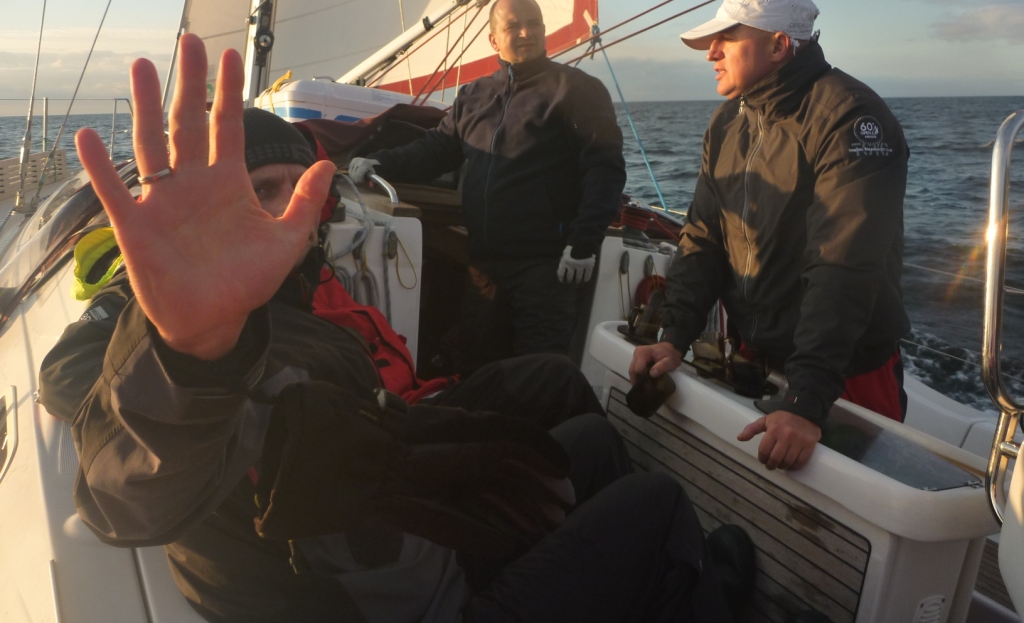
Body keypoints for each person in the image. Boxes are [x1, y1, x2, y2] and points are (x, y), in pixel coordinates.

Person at [46, 33, 745, 622]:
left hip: (415, 549)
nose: (285, 213)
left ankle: (642, 586)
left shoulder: (302, 310)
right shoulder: (195, 345)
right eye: (259, 191)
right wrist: (189, 352)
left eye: (301, 190)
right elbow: (128, 494)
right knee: (658, 506)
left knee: (584, 440)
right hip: (403, 606)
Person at [629, 0, 910, 473]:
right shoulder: (726, 124)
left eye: (727, 38)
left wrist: (806, 399)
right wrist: (674, 334)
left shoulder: (850, 118)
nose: (711, 52)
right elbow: (704, 237)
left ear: (779, 46)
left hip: (843, 373)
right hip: (761, 360)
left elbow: (842, 266)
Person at [349, 0, 626, 370]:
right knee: (477, 368)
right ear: (494, 40)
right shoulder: (474, 96)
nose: (526, 32)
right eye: (514, 26)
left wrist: (583, 244)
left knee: (539, 373)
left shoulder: (577, 90)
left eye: (534, 24)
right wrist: (380, 162)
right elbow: (437, 150)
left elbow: (605, 169)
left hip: (546, 268)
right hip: (483, 266)